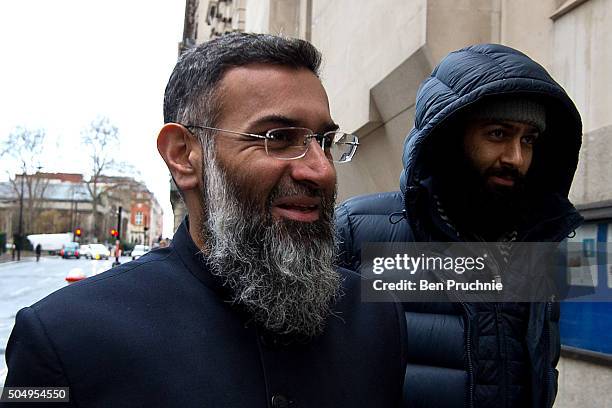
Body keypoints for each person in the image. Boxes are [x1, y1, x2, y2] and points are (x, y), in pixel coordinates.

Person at [2, 33, 406, 408]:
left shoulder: (374, 318)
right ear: (183, 155)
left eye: (325, 141)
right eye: (278, 137)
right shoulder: (63, 336)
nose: (321, 170)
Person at [335, 44, 582, 408]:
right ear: (449, 138)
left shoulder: (536, 249)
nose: (516, 157)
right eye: (498, 134)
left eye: (528, 140)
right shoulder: (357, 232)